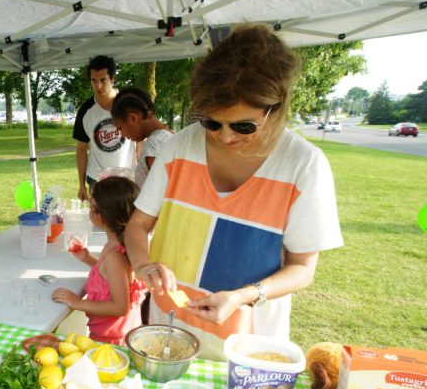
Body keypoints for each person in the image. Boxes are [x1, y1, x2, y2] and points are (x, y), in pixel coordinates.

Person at [124, 25, 343, 360]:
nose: (225, 138)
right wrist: (142, 264)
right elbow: (137, 225)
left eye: (243, 126)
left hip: (249, 345)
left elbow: (302, 268)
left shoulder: (304, 164)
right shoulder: (179, 146)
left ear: (277, 108)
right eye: (212, 123)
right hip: (169, 332)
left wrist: (242, 296)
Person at [52, 177, 145, 345]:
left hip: (113, 341)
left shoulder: (114, 256)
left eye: (92, 205)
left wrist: (77, 302)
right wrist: (88, 259)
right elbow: (112, 277)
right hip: (111, 335)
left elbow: (120, 307)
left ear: (100, 216)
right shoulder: (115, 245)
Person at [73, 55, 137, 201]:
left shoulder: (128, 103)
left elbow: (140, 141)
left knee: (128, 221)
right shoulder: (85, 111)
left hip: (128, 177)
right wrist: (81, 185)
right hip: (97, 179)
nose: (98, 86)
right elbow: (81, 150)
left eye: (103, 80)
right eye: (94, 81)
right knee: (100, 222)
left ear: (112, 78)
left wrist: (142, 175)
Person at [111, 87, 174, 188]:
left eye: (120, 128)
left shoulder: (153, 145)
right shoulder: (170, 134)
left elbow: (161, 192)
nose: (122, 134)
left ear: (133, 118)